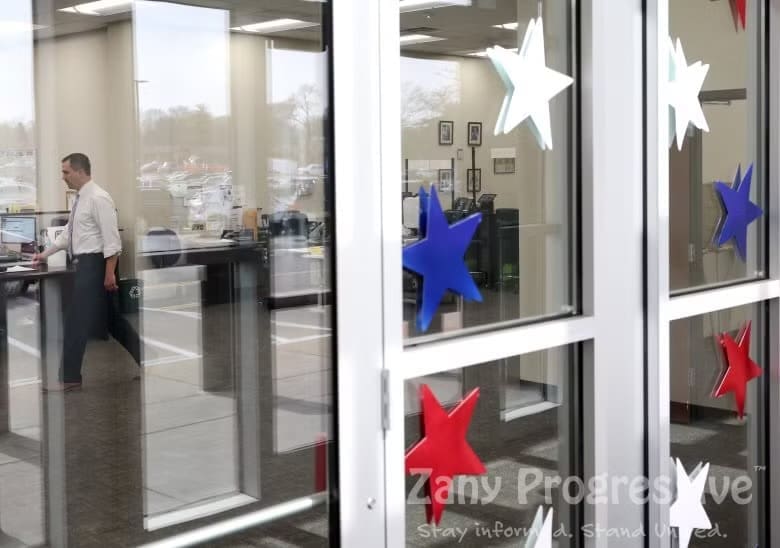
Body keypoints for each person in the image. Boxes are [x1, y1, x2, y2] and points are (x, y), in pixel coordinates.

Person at [34, 153, 140, 391]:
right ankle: (150, 360)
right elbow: (68, 235)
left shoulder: (99, 198)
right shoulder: (80, 199)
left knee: (75, 322)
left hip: (96, 265)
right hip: (85, 265)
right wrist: (44, 254)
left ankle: (69, 379)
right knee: (113, 322)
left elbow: (112, 240)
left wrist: (109, 272)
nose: (63, 177)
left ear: (80, 171)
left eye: (66, 172)